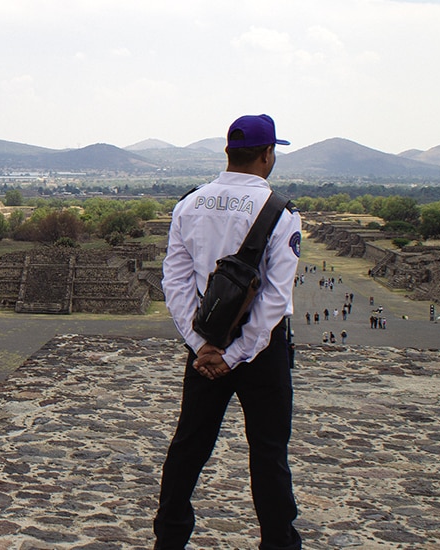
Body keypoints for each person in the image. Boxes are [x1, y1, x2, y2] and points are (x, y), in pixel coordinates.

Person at [156, 114, 302, 550]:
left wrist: (203, 345)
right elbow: (274, 298)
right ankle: (278, 542)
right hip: (261, 348)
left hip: (206, 341)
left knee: (189, 445)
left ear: (228, 152)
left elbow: (175, 284)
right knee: (269, 452)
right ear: (267, 154)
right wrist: (236, 354)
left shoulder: (190, 205)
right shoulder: (280, 212)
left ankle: (169, 539)